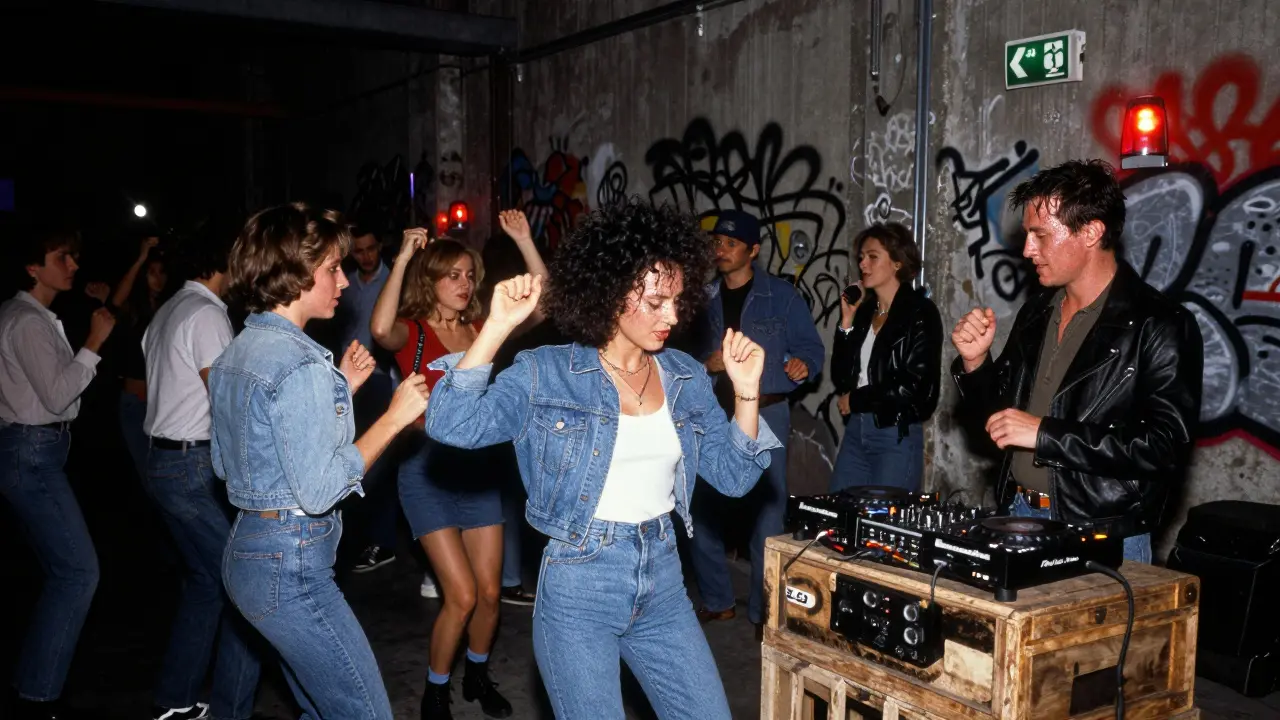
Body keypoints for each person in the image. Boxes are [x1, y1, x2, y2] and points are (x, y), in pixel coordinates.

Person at [424, 199, 780, 719]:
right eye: (656, 302)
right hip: (579, 582)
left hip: (662, 576)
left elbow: (733, 478)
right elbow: (451, 424)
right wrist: (495, 329)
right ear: (611, 295)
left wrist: (745, 395)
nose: (672, 316)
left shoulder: (683, 375)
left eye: (677, 301)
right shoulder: (548, 372)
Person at [208, 203, 429, 719]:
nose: (344, 282)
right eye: (332, 269)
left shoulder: (236, 352)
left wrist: (339, 391)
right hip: (292, 569)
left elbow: (229, 462)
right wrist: (394, 419)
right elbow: (320, 488)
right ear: (293, 274)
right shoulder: (300, 362)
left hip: (247, 554)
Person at [950, 160, 1203, 563]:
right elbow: (999, 423)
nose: (1027, 249)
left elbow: (1163, 447)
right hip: (1018, 514)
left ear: (1091, 231)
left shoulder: (1160, 324)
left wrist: (1047, 434)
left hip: (1100, 535)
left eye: (1040, 235)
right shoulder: (1036, 313)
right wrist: (976, 362)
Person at [369, 210, 546, 719]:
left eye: (470, 275)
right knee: (462, 595)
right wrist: (402, 256)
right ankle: (435, 689)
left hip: (479, 474)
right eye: (453, 275)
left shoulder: (479, 330)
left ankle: (477, 673)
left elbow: (540, 307)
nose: (465, 284)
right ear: (432, 280)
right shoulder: (414, 332)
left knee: (491, 594)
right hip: (426, 474)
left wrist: (525, 240)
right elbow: (380, 328)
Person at [141, 226, 261, 720]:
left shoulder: (169, 308)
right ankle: (232, 710)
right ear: (223, 260)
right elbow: (226, 399)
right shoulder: (208, 313)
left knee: (205, 582)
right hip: (190, 466)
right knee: (245, 583)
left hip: (163, 461)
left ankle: (175, 698)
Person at [0, 221, 115, 720]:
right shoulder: (25, 321)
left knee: (63, 573)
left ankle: (33, 686)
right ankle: (38, 699)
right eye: (61, 258)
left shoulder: (32, 315)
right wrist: (94, 342)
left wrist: (91, 317)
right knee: (79, 573)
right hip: (31, 455)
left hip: (34, 453)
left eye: (72, 256)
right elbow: (57, 394)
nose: (72, 264)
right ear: (32, 267)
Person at [690, 209, 825, 632]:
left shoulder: (781, 296)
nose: (721, 250)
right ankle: (717, 598)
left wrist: (805, 365)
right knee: (700, 508)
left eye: (731, 244)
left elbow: (811, 349)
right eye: (718, 242)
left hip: (768, 410)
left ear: (754, 250)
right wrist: (705, 363)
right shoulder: (699, 300)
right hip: (712, 412)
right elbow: (674, 355)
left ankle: (762, 612)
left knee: (767, 514)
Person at [829, 223, 941, 491]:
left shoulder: (920, 312)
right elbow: (841, 376)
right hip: (857, 430)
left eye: (872, 256)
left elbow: (913, 386)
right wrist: (846, 322)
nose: (863, 264)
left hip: (895, 433)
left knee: (884, 526)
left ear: (897, 262)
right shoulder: (865, 311)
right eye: (861, 258)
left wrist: (856, 398)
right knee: (840, 516)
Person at [336, 224, 403, 575]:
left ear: (380, 246)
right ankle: (359, 535)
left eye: (370, 248)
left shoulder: (393, 281)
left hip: (379, 381)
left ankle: (383, 541)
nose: (365, 256)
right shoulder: (344, 282)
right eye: (358, 250)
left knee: (377, 463)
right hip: (349, 380)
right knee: (351, 459)